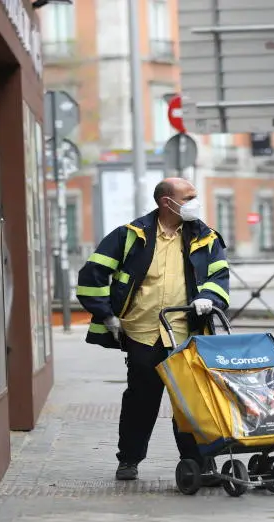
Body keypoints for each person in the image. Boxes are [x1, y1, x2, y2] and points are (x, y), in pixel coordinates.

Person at [76, 177, 230, 482]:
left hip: (187, 334)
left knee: (190, 401)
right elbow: (91, 275)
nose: (194, 203)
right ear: (166, 202)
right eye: (188, 197)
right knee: (141, 400)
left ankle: (197, 462)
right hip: (142, 332)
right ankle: (129, 460)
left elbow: (220, 277)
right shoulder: (130, 236)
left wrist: (207, 298)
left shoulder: (206, 237)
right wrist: (107, 316)